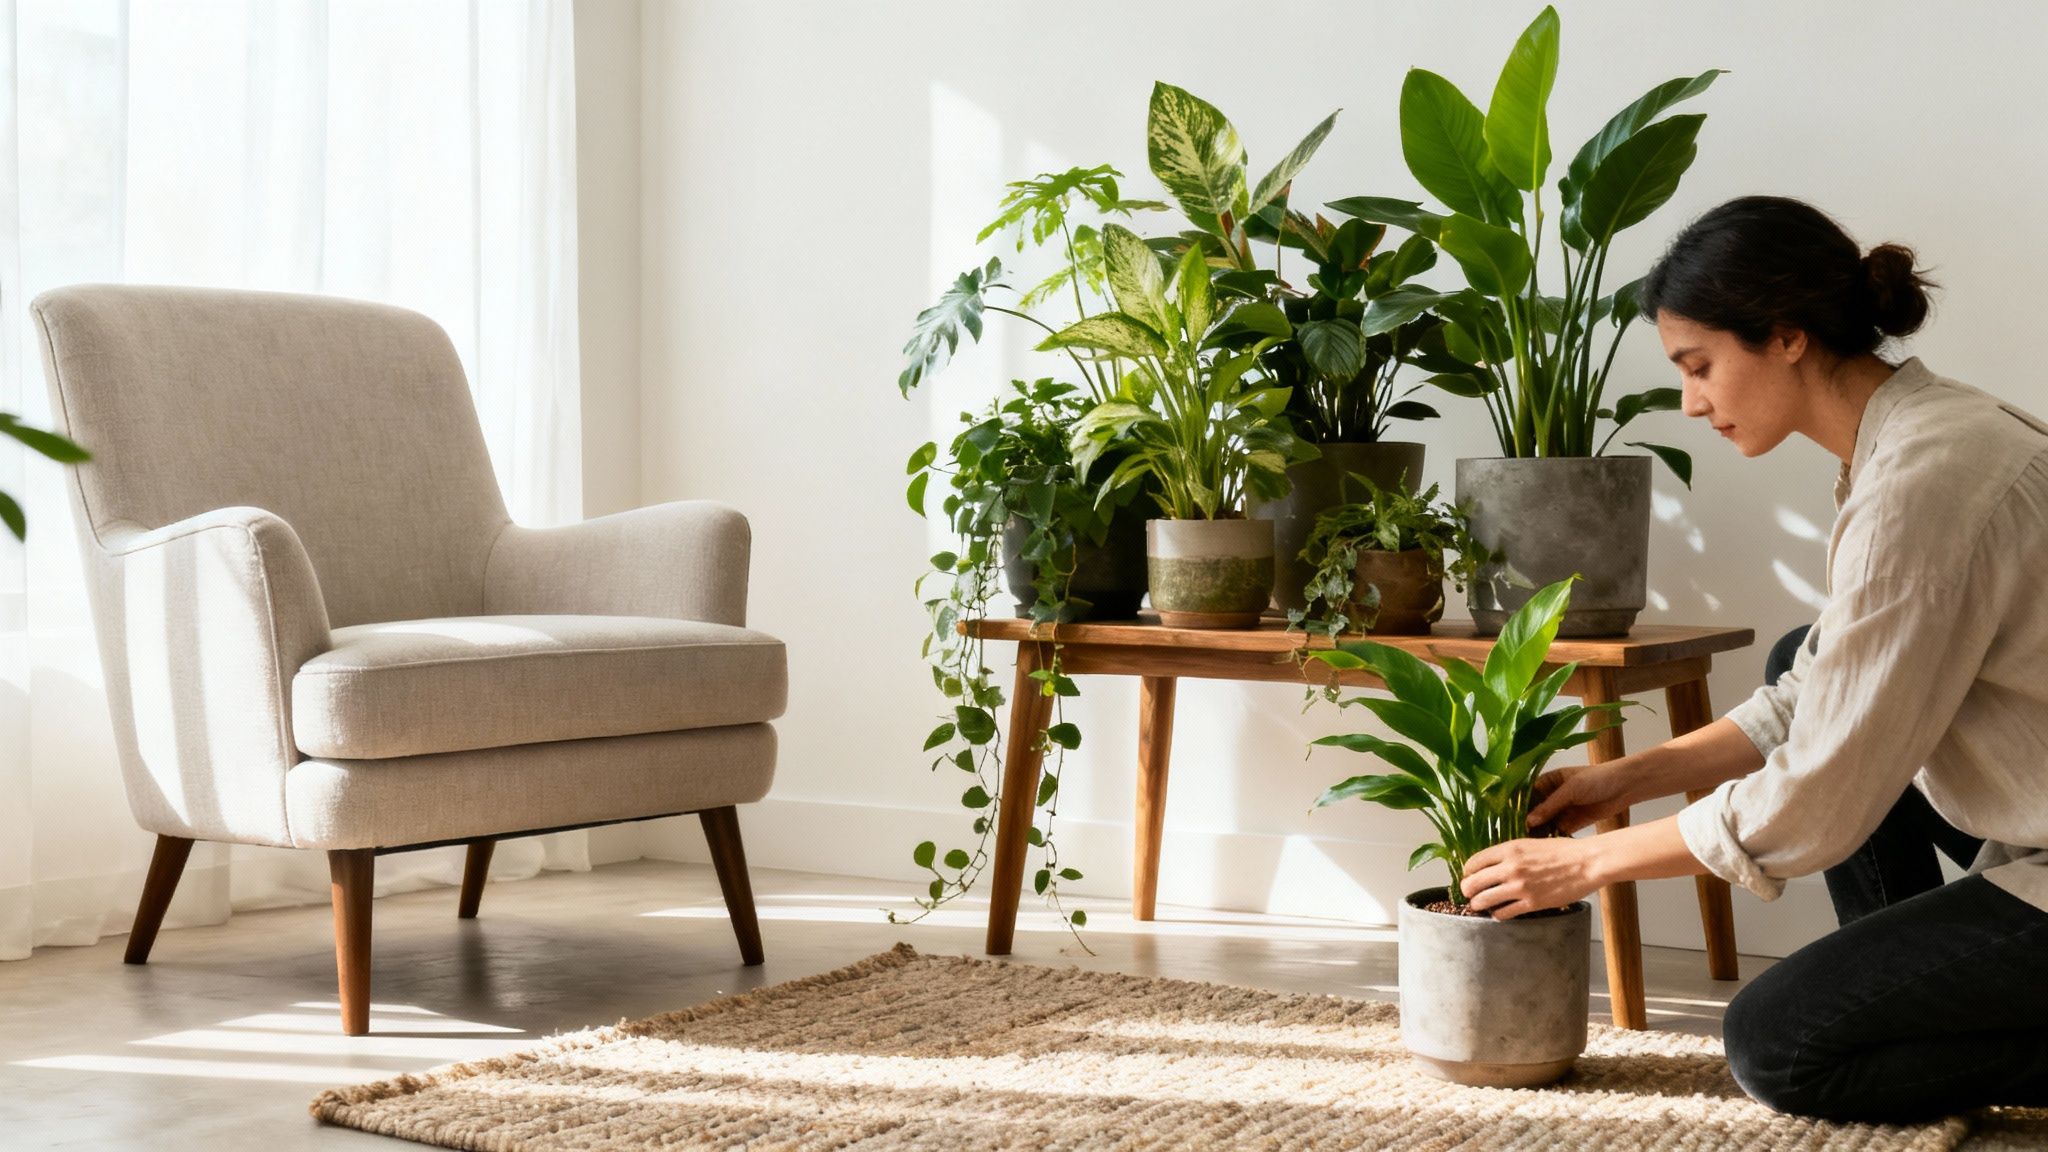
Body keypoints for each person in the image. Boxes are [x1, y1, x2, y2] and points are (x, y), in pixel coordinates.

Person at [1455, 195, 2048, 1122]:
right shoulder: (1916, 436)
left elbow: (1819, 795)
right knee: (1793, 656)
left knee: (1777, 1047)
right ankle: (1913, 1008)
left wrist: (1581, 869)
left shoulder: (1922, 488)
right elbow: (1817, 688)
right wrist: (1627, 781)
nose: (1691, 402)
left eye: (1700, 367)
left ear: (1785, 336)